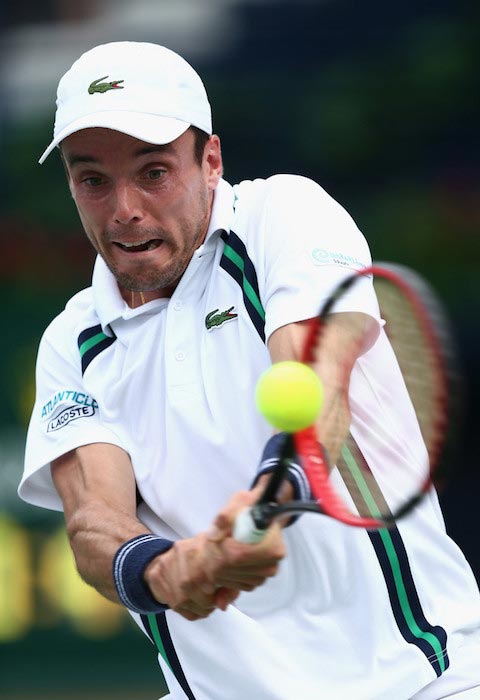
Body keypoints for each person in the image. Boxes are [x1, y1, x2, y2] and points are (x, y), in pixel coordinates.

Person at [18, 41, 480, 700]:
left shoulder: (284, 216)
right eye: (93, 179)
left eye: (153, 172)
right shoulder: (70, 341)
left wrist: (274, 491)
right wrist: (165, 570)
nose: (123, 208)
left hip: (421, 681)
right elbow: (94, 522)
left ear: (211, 162)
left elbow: (318, 380)